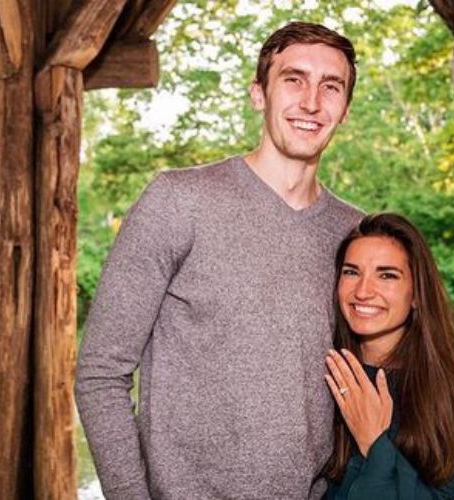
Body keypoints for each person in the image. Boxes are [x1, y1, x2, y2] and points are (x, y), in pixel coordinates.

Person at [75, 22, 363, 499]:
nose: (312, 102)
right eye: (293, 80)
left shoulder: (354, 234)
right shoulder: (177, 201)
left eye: (330, 87)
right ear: (258, 94)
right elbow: (101, 373)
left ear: (345, 110)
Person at [322, 214, 454, 499]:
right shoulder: (323, 370)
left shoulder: (441, 390)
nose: (363, 291)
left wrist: (375, 446)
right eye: (351, 272)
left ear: (416, 294)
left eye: (387, 275)